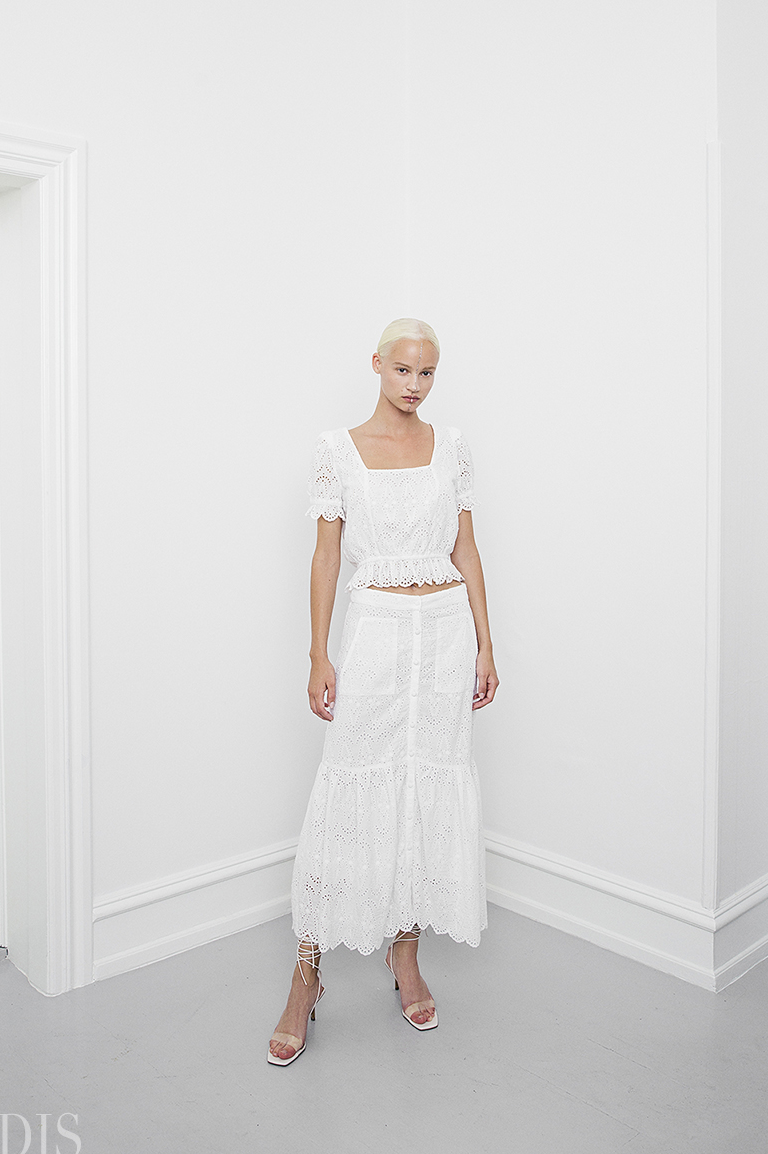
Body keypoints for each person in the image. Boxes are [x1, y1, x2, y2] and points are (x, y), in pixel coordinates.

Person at [267, 318, 499, 1066]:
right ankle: (307, 972)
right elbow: (326, 556)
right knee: (347, 786)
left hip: (444, 636)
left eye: (427, 372)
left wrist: (487, 642)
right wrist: (318, 651)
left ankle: (406, 955)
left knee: (422, 789)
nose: (414, 385)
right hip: (375, 634)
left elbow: (466, 548)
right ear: (377, 364)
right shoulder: (337, 451)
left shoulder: (451, 446)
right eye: (403, 369)